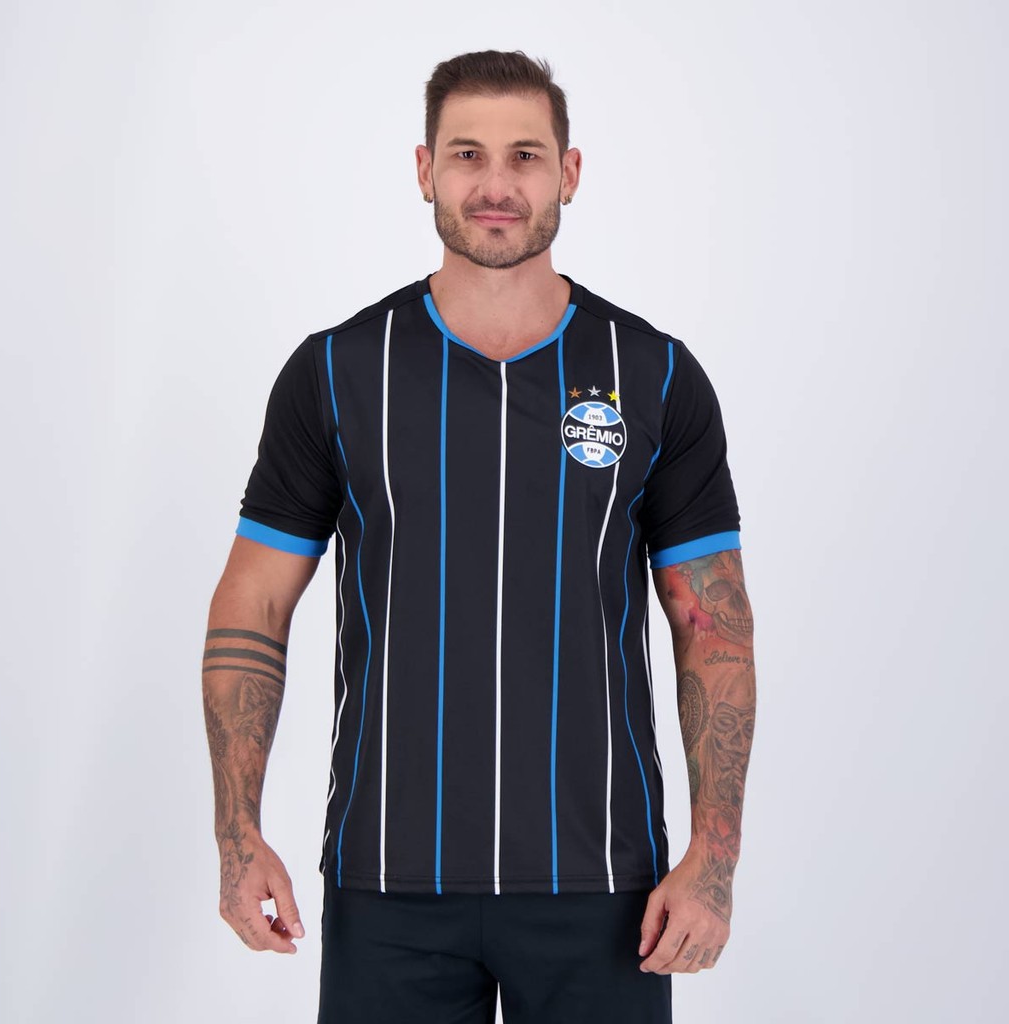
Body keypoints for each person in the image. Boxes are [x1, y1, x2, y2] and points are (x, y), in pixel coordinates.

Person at [202, 49, 756, 1024]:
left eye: (524, 156)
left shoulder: (656, 374)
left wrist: (712, 860)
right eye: (467, 154)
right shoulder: (336, 373)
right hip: (387, 877)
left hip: (603, 884)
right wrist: (237, 834)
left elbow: (714, 630)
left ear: (569, 173)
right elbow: (254, 604)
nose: (496, 184)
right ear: (425, 170)